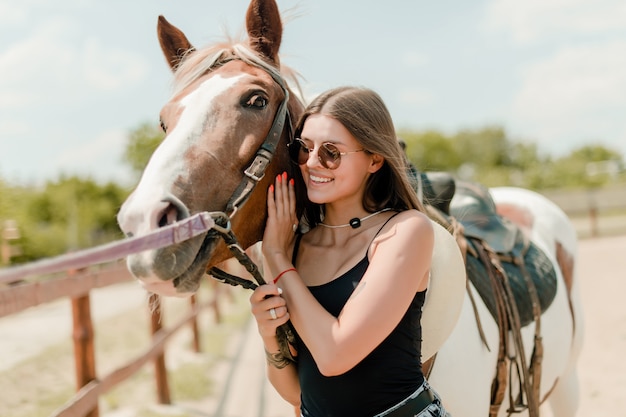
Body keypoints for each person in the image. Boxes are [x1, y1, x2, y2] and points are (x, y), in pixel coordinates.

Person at [249, 86, 450, 416]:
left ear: (374, 159)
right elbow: (298, 396)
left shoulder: (405, 231)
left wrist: (275, 255)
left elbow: (334, 355)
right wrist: (269, 336)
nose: (312, 163)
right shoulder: (296, 246)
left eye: (331, 152)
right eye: (304, 149)